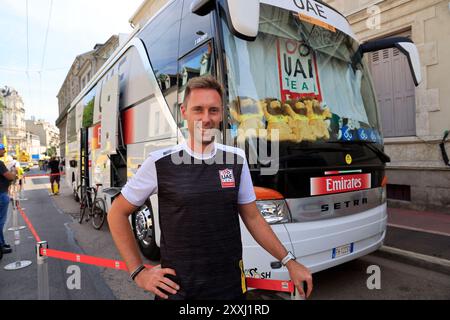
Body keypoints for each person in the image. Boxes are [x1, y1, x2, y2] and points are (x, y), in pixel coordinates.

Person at [108, 76, 313, 300]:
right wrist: (139, 272)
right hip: (178, 293)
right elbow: (117, 212)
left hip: (231, 291)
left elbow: (253, 219)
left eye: (213, 110)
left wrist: (289, 261)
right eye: (198, 110)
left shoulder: (236, 159)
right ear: (184, 112)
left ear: (221, 114)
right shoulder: (160, 162)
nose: (206, 118)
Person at [0, 144, 17, 255]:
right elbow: (10, 177)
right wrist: (14, 173)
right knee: (1, 221)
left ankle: (2, 243)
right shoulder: (0, 164)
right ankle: (1, 246)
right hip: (1, 194)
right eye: (2, 149)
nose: (5, 151)